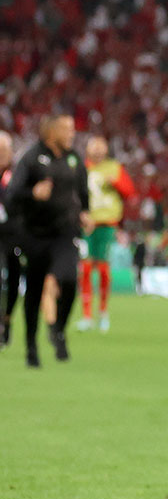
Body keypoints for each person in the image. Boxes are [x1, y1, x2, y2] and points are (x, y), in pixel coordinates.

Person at [5, 114, 88, 367]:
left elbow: (83, 193)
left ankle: (58, 328)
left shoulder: (74, 159)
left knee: (69, 279)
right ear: (51, 132)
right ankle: (31, 347)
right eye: (67, 129)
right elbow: (11, 195)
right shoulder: (30, 158)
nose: (72, 133)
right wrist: (33, 193)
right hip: (35, 234)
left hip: (65, 232)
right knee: (33, 291)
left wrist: (85, 212)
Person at [76, 134, 135, 332]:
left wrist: (116, 183)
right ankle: (86, 315)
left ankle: (103, 312)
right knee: (84, 268)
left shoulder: (114, 168)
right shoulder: (81, 168)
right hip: (86, 225)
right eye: (94, 147)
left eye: (101, 147)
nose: (98, 151)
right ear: (88, 150)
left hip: (107, 224)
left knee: (102, 268)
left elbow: (129, 192)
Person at [0, 130, 19, 347]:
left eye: (5, 149)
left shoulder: (16, 176)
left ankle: (7, 318)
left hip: (14, 234)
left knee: (13, 277)